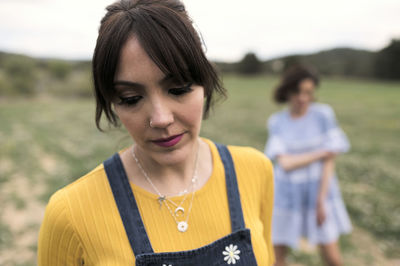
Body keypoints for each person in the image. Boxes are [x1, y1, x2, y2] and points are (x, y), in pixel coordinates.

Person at [37, 0, 275, 265]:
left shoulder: (255, 171)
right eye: (130, 98)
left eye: (179, 88)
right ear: (113, 102)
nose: (161, 119)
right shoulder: (71, 213)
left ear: (205, 82)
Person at [264, 65, 352, 266]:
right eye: (297, 92)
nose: (303, 98)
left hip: (319, 192)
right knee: (276, 256)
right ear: (287, 91)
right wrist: (322, 152)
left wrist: (321, 200)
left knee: (332, 257)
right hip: (286, 195)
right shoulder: (277, 122)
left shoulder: (323, 115)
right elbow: (285, 163)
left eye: (308, 93)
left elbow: (329, 161)